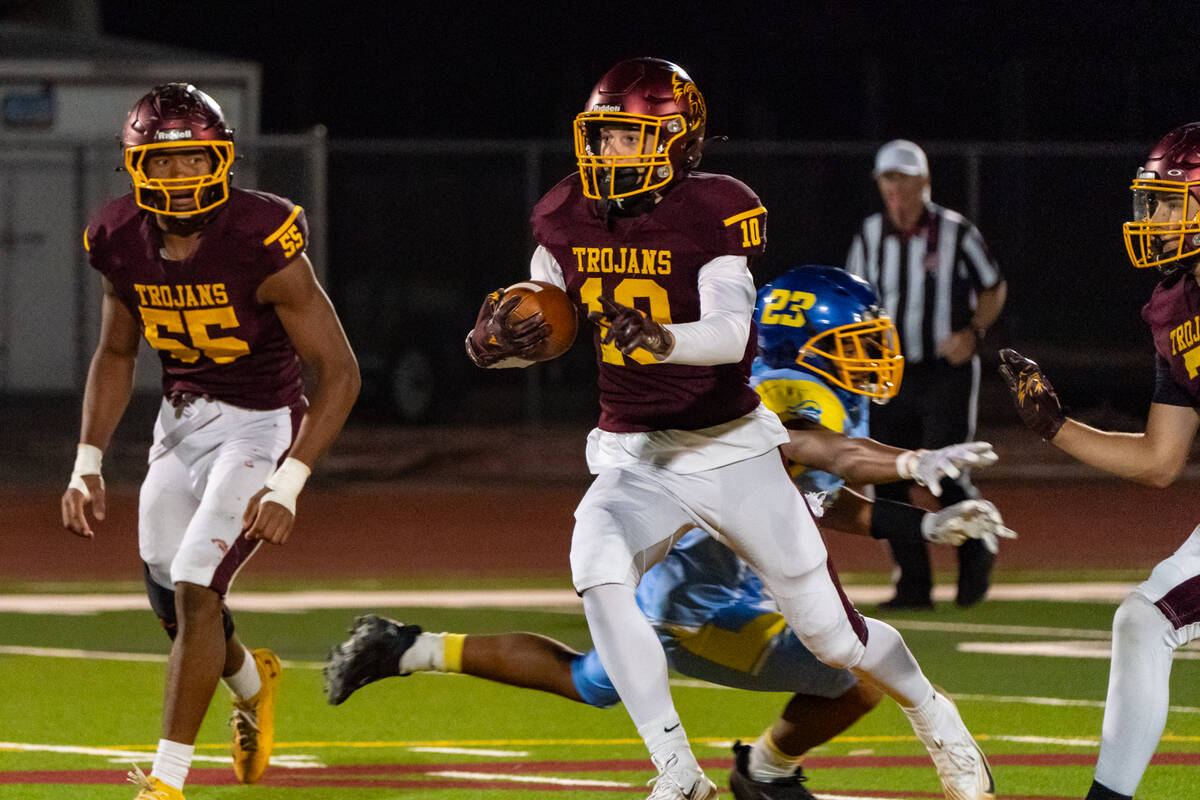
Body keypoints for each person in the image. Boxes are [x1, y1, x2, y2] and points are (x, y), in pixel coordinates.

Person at [461, 57, 995, 800]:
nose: (606, 151)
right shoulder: (563, 213)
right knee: (597, 561)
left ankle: (938, 720)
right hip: (637, 453)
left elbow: (729, 328)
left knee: (833, 637)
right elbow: (546, 318)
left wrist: (664, 340)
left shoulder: (714, 208)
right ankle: (677, 771)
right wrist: (496, 350)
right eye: (603, 134)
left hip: (729, 447)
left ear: (677, 141)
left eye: (625, 136)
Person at [327, 267, 1014, 800]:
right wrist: (907, 464)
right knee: (856, 675)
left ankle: (407, 647)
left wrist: (923, 521)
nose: (870, 358)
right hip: (698, 606)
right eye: (853, 344)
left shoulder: (780, 389)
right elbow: (818, 453)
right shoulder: (787, 391)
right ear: (803, 343)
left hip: (676, 588)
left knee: (596, 680)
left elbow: (817, 497)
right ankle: (766, 770)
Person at [58, 83, 360, 800]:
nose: (180, 179)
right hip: (180, 423)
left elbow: (339, 371)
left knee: (197, 584)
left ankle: (165, 782)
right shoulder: (118, 238)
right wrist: (87, 462)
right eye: (163, 166)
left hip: (259, 424)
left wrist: (289, 481)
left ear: (220, 160)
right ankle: (254, 685)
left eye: (193, 161)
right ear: (137, 170)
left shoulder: (261, 236)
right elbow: (115, 354)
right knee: (170, 595)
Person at [999, 121, 1200, 800]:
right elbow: (1160, 459)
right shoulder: (1174, 308)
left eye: (1174, 201)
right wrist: (1056, 428)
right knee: (1143, 620)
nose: (1158, 218)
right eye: (1156, 202)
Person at [845, 139, 1008, 610]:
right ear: (879, 184)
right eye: (887, 178)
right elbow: (854, 300)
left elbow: (993, 287)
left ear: (923, 181)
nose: (895, 188)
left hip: (944, 372)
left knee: (946, 473)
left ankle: (978, 546)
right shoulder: (870, 234)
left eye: (903, 178)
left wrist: (973, 332)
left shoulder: (955, 231)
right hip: (886, 376)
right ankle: (913, 585)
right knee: (887, 478)